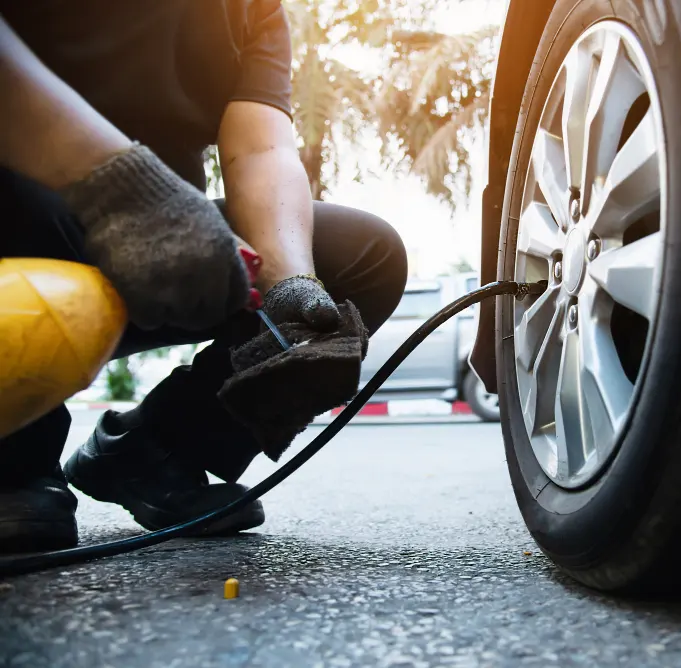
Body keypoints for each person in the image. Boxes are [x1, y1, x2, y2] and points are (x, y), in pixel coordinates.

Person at [0, 1, 408, 552]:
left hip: (158, 249)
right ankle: (15, 462)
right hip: (23, 231)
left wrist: (292, 287)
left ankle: (157, 451)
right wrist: (119, 190)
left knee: (364, 257)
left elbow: (260, 147)